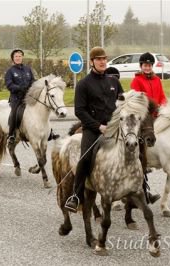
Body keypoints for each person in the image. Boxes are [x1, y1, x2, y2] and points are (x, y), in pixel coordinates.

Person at [64, 47, 124, 213]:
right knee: (85, 157)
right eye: (99, 59)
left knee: (134, 148)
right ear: (91, 62)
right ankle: (75, 196)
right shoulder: (84, 84)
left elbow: (122, 104)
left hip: (114, 128)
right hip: (93, 129)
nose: (103, 61)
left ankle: (142, 187)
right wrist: (99, 126)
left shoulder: (114, 81)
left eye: (104, 58)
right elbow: (79, 111)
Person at [131, 52, 170, 173]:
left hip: (158, 112)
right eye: (145, 65)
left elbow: (162, 96)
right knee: (141, 135)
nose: (147, 67)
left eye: (149, 65)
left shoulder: (157, 80)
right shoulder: (136, 80)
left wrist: (164, 107)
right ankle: (142, 160)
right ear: (141, 66)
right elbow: (138, 99)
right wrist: (151, 108)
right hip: (145, 115)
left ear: (152, 66)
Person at [4, 48, 59, 146]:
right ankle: (12, 134)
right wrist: (20, 88)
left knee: (43, 109)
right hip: (17, 98)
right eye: (16, 56)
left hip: (29, 97)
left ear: (22, 57)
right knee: (15, 113)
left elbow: (32, 80)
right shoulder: (10, 71)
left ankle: (49, 132)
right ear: (13, 58)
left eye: (20, 56)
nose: (18, 58)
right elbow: (9, 84)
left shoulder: (27, 69)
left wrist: (35, 85)